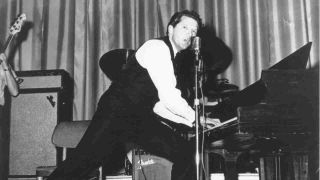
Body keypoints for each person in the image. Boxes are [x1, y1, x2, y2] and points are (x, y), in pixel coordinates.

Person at [48, 10, 218, 180]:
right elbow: (169, 96)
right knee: (84, 161)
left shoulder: (173, 59)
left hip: (138, 118)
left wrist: (194, 120)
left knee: (185, 152)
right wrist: (195, 118)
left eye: (194, 31)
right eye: (185, 27)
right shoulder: (157, 48)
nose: (190, 34)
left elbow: (160, 106)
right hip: (116, 112)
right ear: (170, 29)